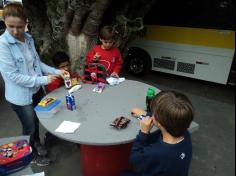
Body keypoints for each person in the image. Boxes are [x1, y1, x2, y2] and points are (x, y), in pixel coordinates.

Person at [0, 3, 68, 166]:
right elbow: (13, 76)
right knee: (29, 127)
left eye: (20, 27)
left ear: (26, 23)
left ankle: (36, 143)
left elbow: (37, 63)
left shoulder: (28, 38)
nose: (16, 31)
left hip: (36, 91)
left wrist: (56, 71)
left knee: (38, 120)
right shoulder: (3, 44)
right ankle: (32, 155)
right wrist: (44, 80)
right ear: (4, 22)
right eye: (11, 27)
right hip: (20, 97)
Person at [123, 90, 194, 176]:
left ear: (159, 122)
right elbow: (169, 120)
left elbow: (134, 160)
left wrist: (144, 133)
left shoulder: (156, 153)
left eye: (153, 114)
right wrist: (146, 114)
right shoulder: (185, 134)